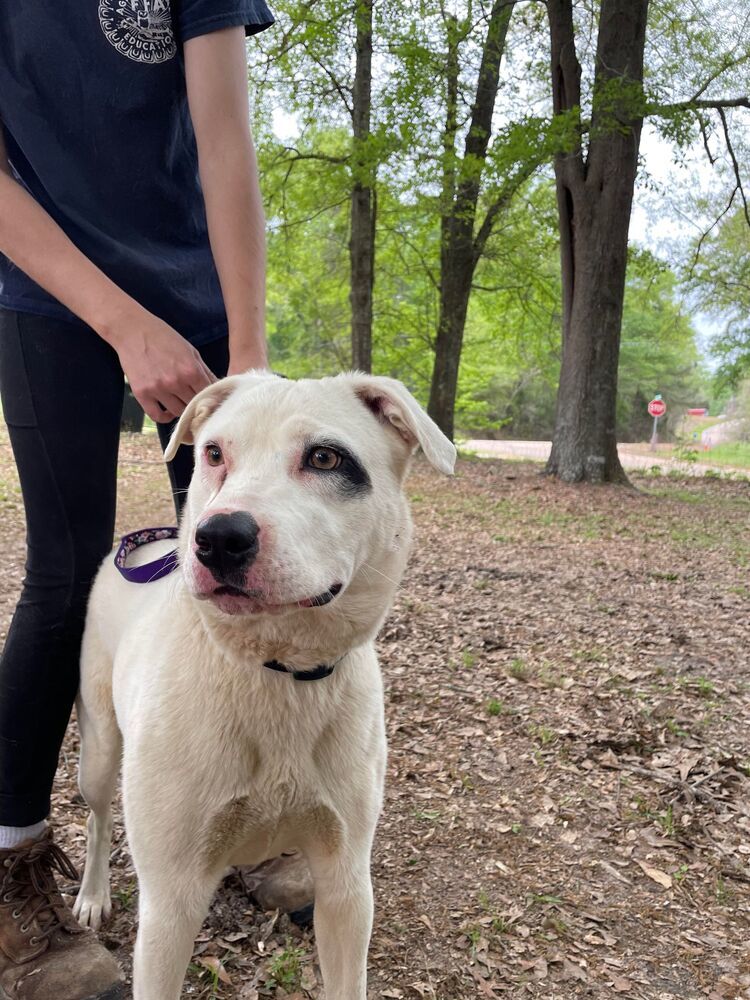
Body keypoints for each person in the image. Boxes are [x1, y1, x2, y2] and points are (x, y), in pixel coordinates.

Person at [0, 3, 274, 997]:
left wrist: (247, 354)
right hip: (43, 294)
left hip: (196, 288)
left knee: (242, 561)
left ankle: (252, 806)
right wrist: (122, 325)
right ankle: (12, 869)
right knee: (67, 573)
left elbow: (225, 138)